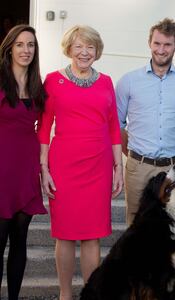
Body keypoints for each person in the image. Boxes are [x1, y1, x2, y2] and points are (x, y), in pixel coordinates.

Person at [38, 25, 123, 300]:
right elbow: (44, 126)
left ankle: (91, 295)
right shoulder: (52, 80)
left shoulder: (107, 81)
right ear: (69, 49)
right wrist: (44, 168)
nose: (84, 52)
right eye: (78, 46)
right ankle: (65, 295)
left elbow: (113, 128)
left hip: (98, 168)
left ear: (96, 51)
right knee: (64, 234)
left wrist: (117, 167)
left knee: (92, 235)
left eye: (90, 47)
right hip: (63, 166)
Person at [116, 18, 175, 225]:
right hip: (138, 167)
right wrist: (133, 154)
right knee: (136, 224)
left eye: (167, 44)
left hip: (173, 167)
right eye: (157, 43)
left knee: (173, 225)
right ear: (149, 43)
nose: (161, 50)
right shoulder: (129, 81)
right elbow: (117, 124)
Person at [0, 24, 47, 300]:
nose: (25, 50)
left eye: (30, 45)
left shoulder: (38, 85)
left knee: (20, 238)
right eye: (19, 44)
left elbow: (47, 125)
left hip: (26, 168)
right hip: (2, 168)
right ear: (9, 48)